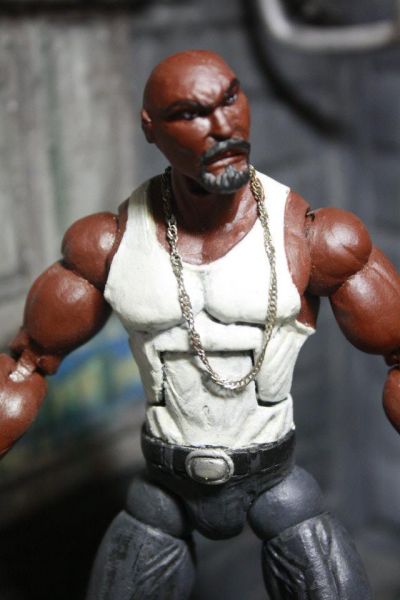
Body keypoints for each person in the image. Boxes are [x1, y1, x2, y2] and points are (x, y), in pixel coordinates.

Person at [1, 49, 400, 599]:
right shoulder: (109, 244)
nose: (221, 127)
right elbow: (25, 364)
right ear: (152, 129)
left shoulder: (316, 239)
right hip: (164, 487)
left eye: (230, 100)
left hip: (276, 483)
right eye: (191, 113)